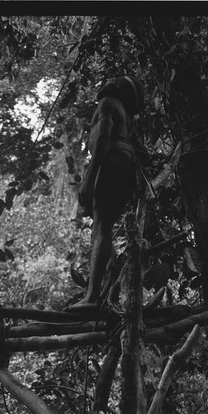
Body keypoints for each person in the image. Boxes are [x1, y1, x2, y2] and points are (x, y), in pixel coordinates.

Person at [68, 76, 145, 312]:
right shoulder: (127, 116)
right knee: (103, 228)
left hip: (112, 159)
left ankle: (91, 298)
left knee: (101, 227)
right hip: (126, 162)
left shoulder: (108, 103)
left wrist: (89, 179)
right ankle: (102, 291)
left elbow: (102, 138)